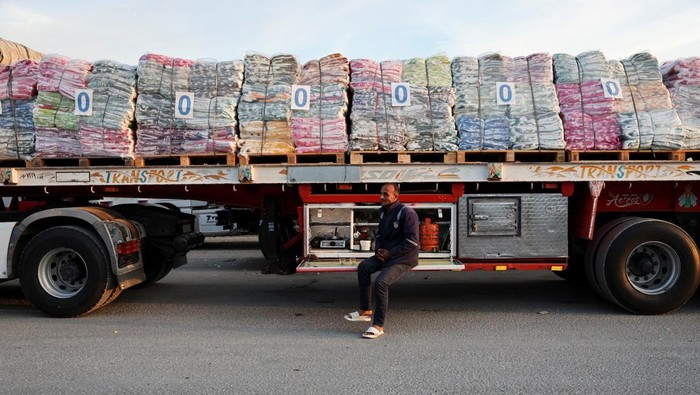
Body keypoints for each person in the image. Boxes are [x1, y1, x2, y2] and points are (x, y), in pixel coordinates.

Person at [344, 183, 420, 339]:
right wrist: (378, 250)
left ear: (396, 196)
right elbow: (379, 235)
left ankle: (378, 326)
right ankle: (365, 310)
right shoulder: (383, 212)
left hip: (403, 258)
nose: (381, 197)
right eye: (381, 193)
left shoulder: (407, 213)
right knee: (364, 267)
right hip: (386, 255)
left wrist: (390, 253)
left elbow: (412, 242)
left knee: (381, 282)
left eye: (386, 194)